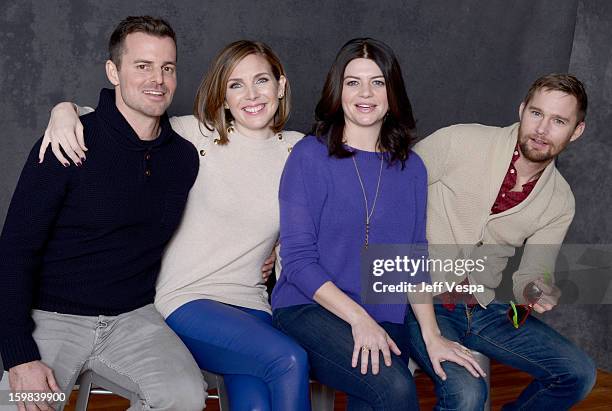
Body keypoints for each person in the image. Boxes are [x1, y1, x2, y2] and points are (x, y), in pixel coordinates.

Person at [39, 40, 310, 411]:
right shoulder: (194, 135)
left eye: (261, 80)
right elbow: (116, 122)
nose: (251, 95)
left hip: (251, 306)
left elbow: (332, 212)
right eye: (235, 84)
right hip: (187, 301)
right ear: (222, 96)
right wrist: (65, 110)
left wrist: (283, 247)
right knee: (289, 360)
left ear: (280, 86)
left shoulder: (300, 152)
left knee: (257, 405)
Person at [0, 16, 206, 411]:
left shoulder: (182, 158)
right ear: (113, 71)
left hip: (133, 318)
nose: (157, 79)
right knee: (18, 404)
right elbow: (13, 251)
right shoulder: (68, 141)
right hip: (51, 316)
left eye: (167, 67)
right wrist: (19, 355)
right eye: (142, 66)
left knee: (185, 396)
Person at [270, 38, 486, 411]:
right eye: (353, 82)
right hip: (310, 308)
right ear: (338, 91)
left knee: (395, 393)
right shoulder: (309, 156)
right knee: (396, 389)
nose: (365, 93)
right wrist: (359, 319)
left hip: (386, 311)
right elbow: (299, 261)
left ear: (392, 92)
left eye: (377, 82)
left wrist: (432, 336)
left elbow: (412, 262)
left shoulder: (411, 168)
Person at [405, 73, 597, 410]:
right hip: (420, 297)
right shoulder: (459, 141)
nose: (542, 129)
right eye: (536, 114)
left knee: (578, 373)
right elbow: (392, 202)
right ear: (522, 110)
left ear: (576, 130)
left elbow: (531, 275)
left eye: (558, 121)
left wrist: (537, 290)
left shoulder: (560, 200)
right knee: (467, 393)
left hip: (485, 307)